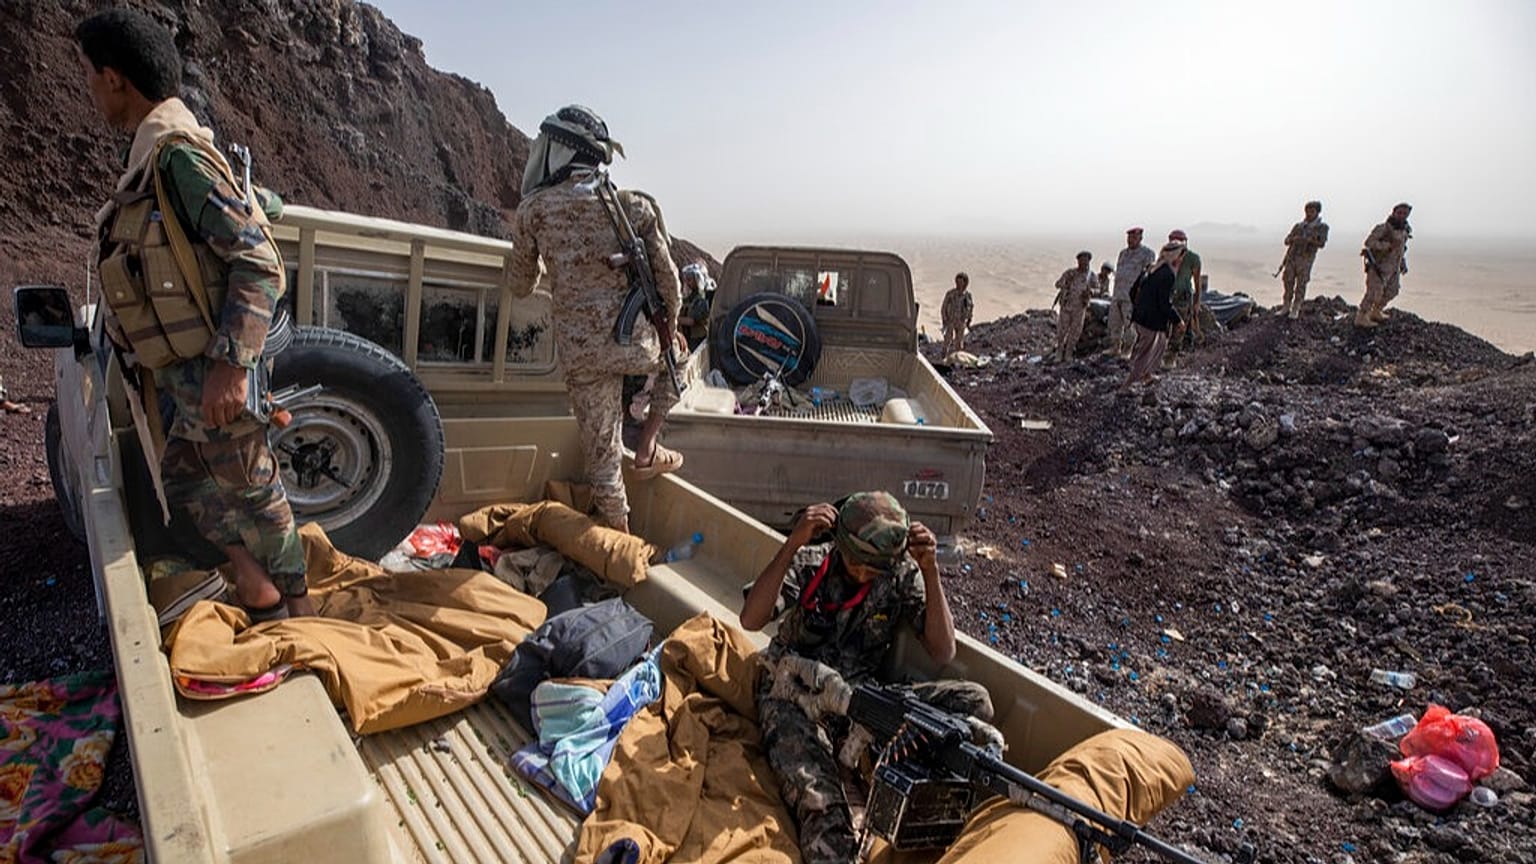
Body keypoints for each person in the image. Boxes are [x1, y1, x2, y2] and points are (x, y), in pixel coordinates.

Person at [77, 9, 311, 619]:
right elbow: (255, 208)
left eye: (90, 76)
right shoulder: (152, 158)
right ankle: (254, 582)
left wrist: (231, 367)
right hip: (176, 380)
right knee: (184, 482)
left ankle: (303, 609)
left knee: (255, 491)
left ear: (115, 79)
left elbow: (259, 261)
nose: (89, 90)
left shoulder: (179, 157)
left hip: (212, 373)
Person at [740, 491, 993, 863]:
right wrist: (793, 544)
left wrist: (930, 570)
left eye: (873, 569)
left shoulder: (897, 573)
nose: (863, 574)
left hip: (860, 700)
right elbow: (751, 619)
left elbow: (943, 651)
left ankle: (882, 768)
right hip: (794, 693)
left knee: (974, 702)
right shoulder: (813, 564)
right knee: (823, 807)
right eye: (857, 563)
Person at [508, 105, 684, 533]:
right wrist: (672, 327)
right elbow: (670, 283)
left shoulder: (533, 211)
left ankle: (619, 543)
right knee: (678, 361)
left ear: (558, 150)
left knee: (602, 455)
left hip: (580, 354)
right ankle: (648, 445)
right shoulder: (632, 206)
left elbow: (520, 285)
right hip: (635, 346)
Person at [1122, 241, 1185, 389]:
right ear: (1175, 256)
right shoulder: (1167, 274)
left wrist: (1139, 308)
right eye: (1181, 256)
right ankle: (1126, 387)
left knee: (1160, 344)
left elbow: (1133, 291)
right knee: (1144, 354)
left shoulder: (1150, 268)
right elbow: (1164, 304)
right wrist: (1178, 320)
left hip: (1141, 317)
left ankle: (1147, 375)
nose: (1181, 260)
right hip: (1150, 321)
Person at [1355, 202, 1412, 328]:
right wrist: (1387, 246)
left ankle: (1376, 311)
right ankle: (1362, 316)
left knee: (1392, 291)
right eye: (1399, 213)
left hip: (1393, 267)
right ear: (1394, 212)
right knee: (1373, 293)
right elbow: (1369, 242)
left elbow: (1401, 250)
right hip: (1379, 266)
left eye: (1405, 213)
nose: (1402, 216)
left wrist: (1402, 263)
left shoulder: (1404, 231)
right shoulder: (1383, 228)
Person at [1108, 227, 1155, 357]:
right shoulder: (1123, 254)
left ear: (1140, 238)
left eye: (1134, 237)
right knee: (1115, 323)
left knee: (1130, 325)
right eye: (1129, 237)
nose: (1130, 240)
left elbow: (1148, 274)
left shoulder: (1147, 253)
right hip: (1118, 293)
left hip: (1131, 296)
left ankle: (1127, 351)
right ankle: (1115, 347)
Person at [1280, 201, 1329, 319]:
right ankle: (1286, 305)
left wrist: (1308, 240)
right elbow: (1287, 240)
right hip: (1292, 257)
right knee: (1288, 281)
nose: (1308, 214)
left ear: (1317, 212)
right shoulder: (1299, 226)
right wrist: (1294, 239)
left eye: (1312, 211)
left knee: (1301, 284)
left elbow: (1321, 243)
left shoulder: (1321, 227)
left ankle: (1296, 307)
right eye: (1307, 211)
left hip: (1305, 259)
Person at [1051, 251, 1098, 363]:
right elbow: (1057, 284)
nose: (1084, 262)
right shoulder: (1070, 273)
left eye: (1086, 260)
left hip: (1080, 308)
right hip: (1066, 306)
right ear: (1078, 261)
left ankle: (1069, 353)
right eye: (1082, 260)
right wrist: (1065, 283)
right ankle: (1059, 353)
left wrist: (1091, 291)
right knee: (1062, 331)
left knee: (1075, 332)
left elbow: (1098, 289)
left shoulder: (1091, 276)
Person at [1164, 228, 1203, 365]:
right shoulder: (1166, 255)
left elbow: (1197, 282)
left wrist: (1197, 302)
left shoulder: (1192, 258)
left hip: (1182, 297)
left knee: (1179, 327)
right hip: (1167, 295)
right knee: (1163, 326)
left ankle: (1170, 358)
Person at [677, 263, 713, 350]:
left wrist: (675, 319)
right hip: (689, 338)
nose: (687, 282)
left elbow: (692, 321)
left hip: (699, 340)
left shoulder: (702, 298)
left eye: (690, 279)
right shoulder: (691, 297)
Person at [939, 272, 973, 357]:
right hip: (950, 320)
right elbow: (944, 306)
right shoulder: (951, 294)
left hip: (961, 321)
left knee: (959, 342)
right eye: (957, 282)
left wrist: (968, 320)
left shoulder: (967, 296)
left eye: (961, 282)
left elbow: (970, 308)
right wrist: (944, 319)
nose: (959, 284)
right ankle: (944, 356)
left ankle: (957, 358)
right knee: (947, 340)